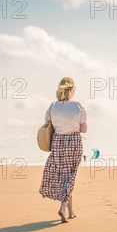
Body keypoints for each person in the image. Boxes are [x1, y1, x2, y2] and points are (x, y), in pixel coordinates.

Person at [39, 76, 87, 223]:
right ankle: (63, 207)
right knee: (70, 176)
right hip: (73, 142)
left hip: (58, 142)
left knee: (64, 176)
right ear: (71, 90)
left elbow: (47, 124)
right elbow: (84, 129)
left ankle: (71, 212)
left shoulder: (53, 106)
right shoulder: (78, 106)